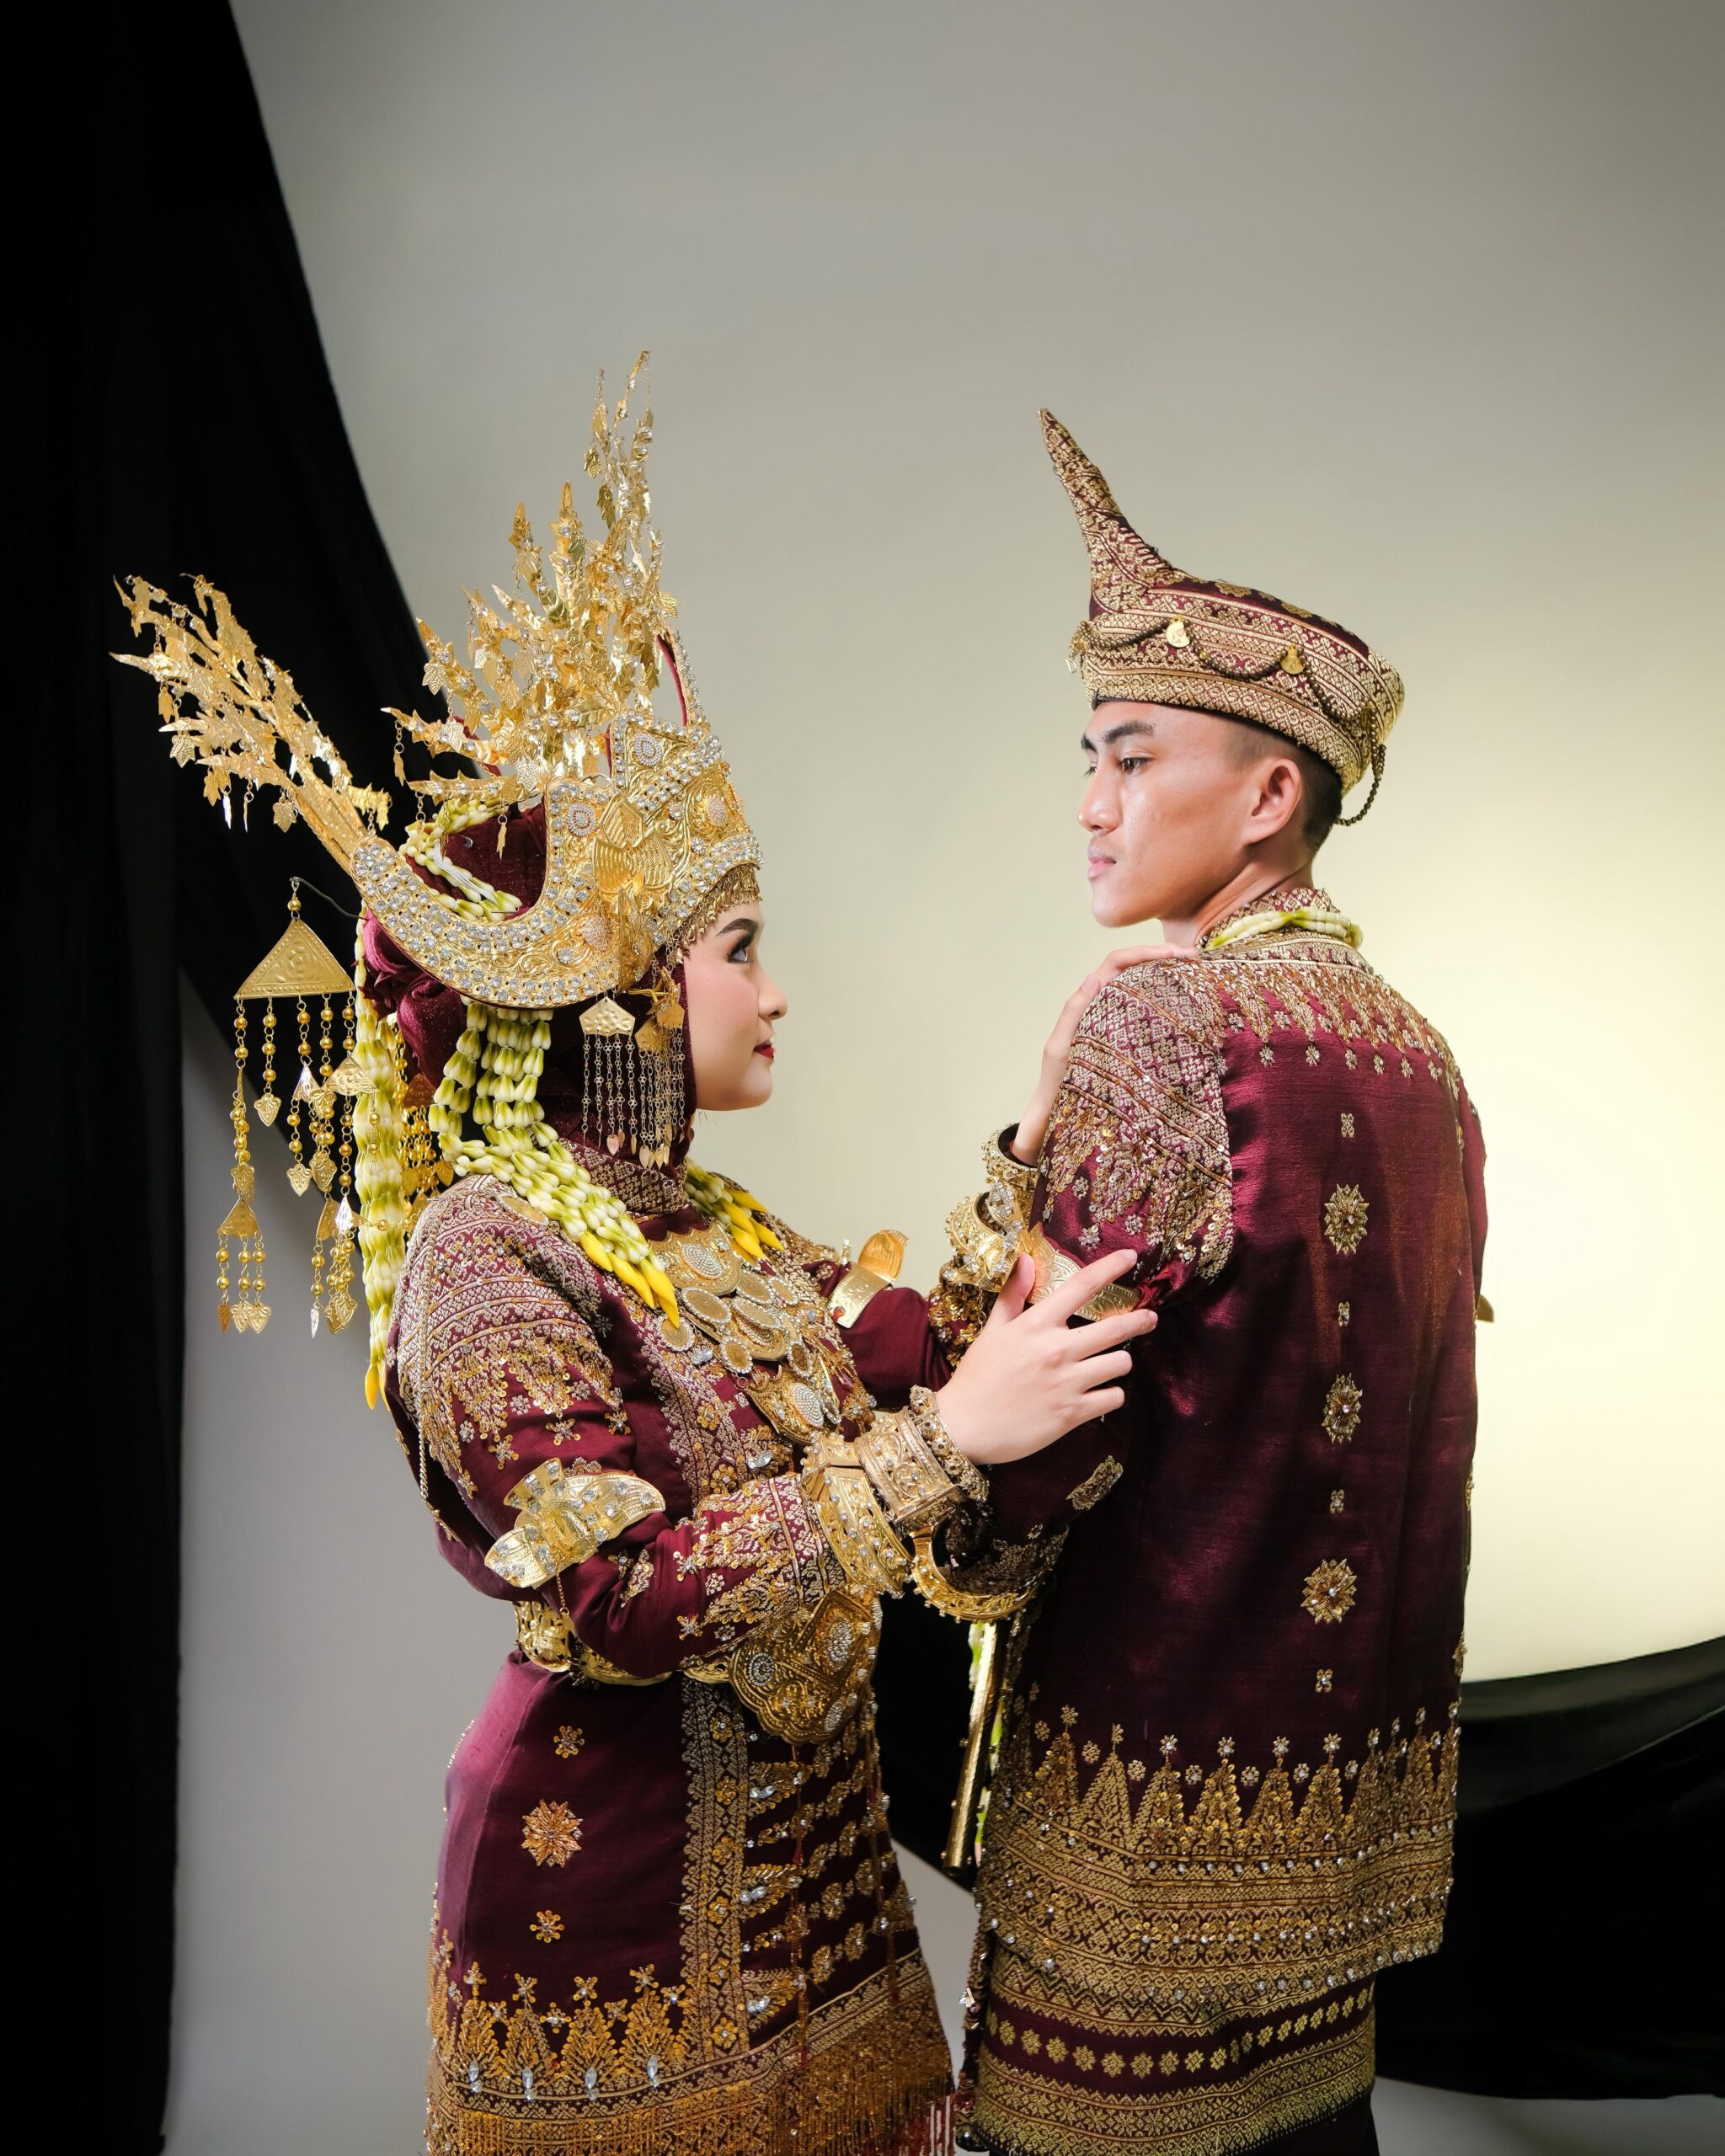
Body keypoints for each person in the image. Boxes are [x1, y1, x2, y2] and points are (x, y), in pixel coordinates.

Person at [120, 371, 1154, 2156]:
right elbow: (620, 1593)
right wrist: (944, 1445)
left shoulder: (706, 1228)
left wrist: (1063, 1126)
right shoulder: (485, 1253)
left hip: (825, 1893)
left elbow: (931, 1350)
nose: (774, 990)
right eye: (740, 946)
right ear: (618, 997)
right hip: (610, 1924)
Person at [927, 415, 1487, 2156]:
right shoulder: (1421, 1052)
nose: (1091, 802)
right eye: (1086, 756)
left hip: (1144, 1809)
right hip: (1339, 1821)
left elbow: (1045, 1391)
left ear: (1267, 796)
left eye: (1131, 753)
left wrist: (951, 1526)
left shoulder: (1161, 1023)